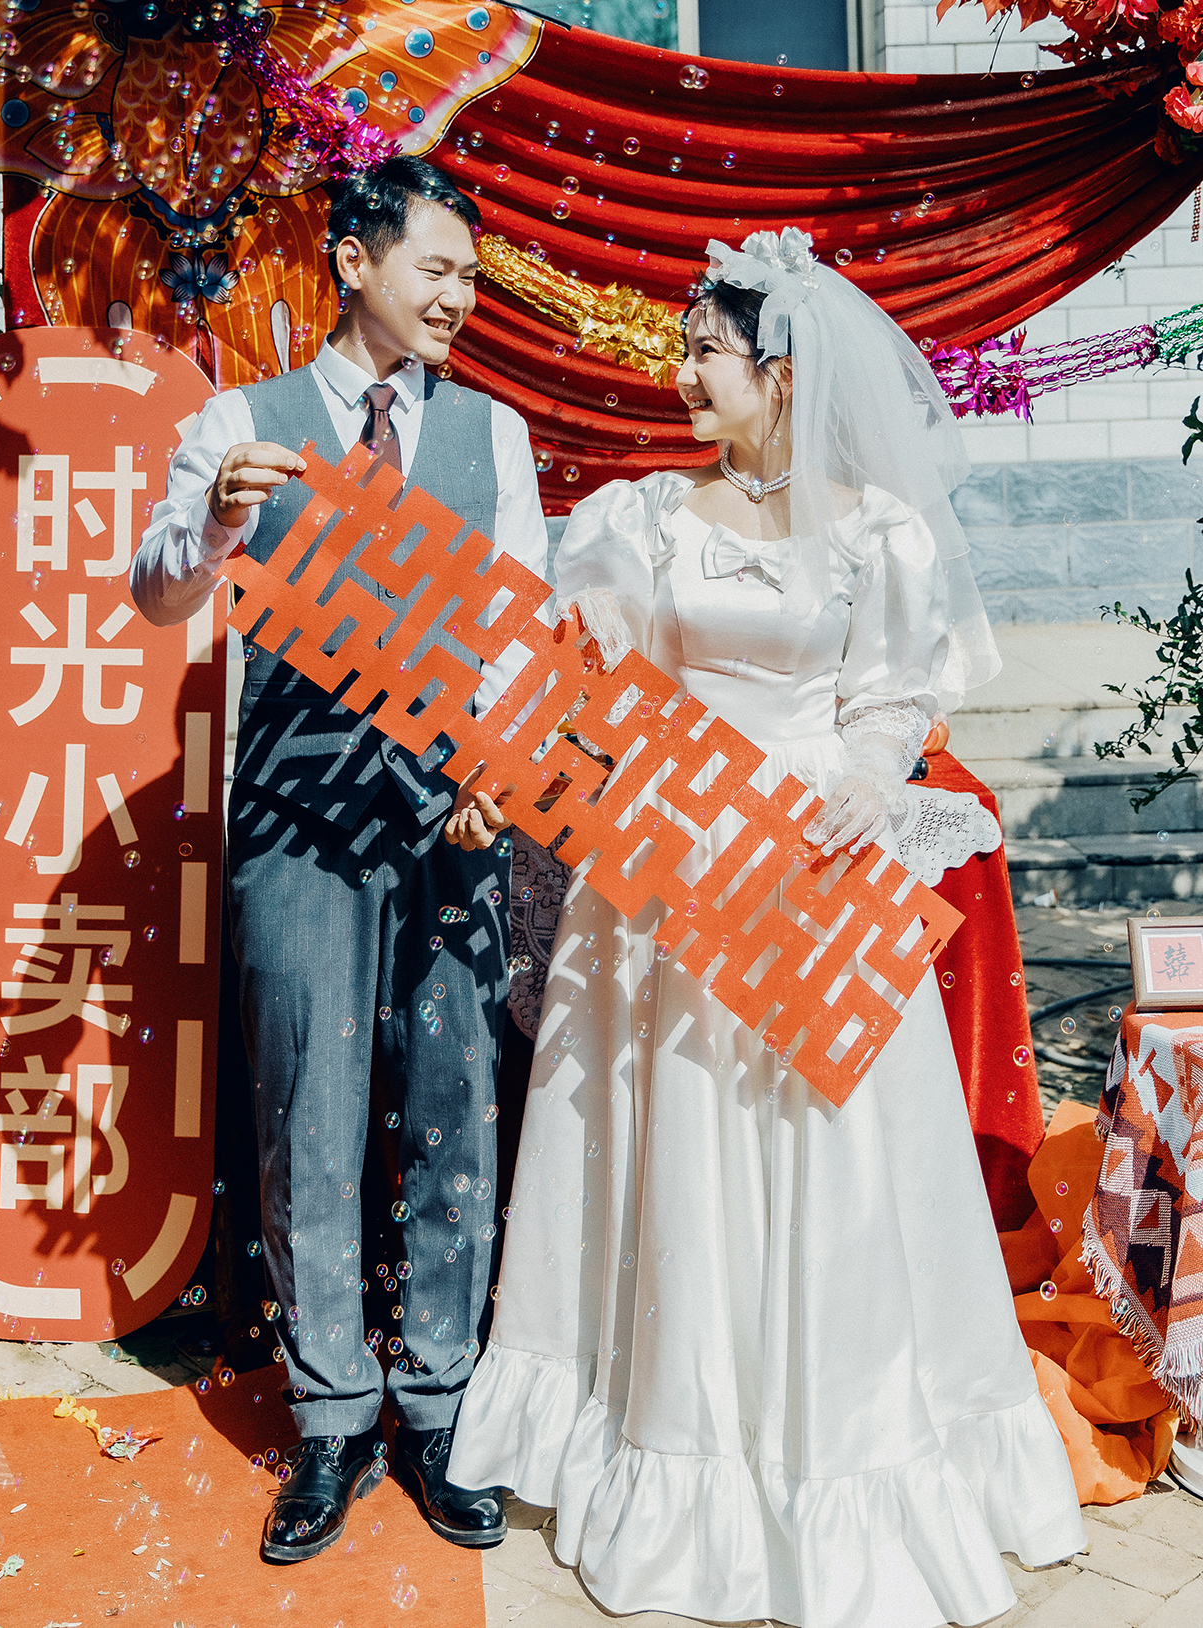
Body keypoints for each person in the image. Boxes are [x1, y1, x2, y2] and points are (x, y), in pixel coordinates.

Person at [444, 229, 1086, 1627]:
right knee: (675, 1150)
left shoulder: (877, 530)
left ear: (782, 372)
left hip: (810, 866)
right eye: (684, 350)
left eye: (706, 352)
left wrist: (865, 781)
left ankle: (838, 1459)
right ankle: (677, 1448)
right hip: (674, 864)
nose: (681, 374)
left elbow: (889, 699)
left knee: (827, 1163)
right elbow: (595, 684)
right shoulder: (639, 521)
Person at [130, 155, 549, 1564]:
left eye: (471, 276)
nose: (459, 296)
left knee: (454, 1101)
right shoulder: (239, 421)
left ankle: (438, 1407)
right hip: (294, 821)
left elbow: (523, 626)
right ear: (354, 261)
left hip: (450, 819)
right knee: (307, 1103)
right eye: (437, 268)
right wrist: (217, 519)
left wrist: (500, 763)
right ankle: (329, 1419)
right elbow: (157, 595)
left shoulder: (491, 433)